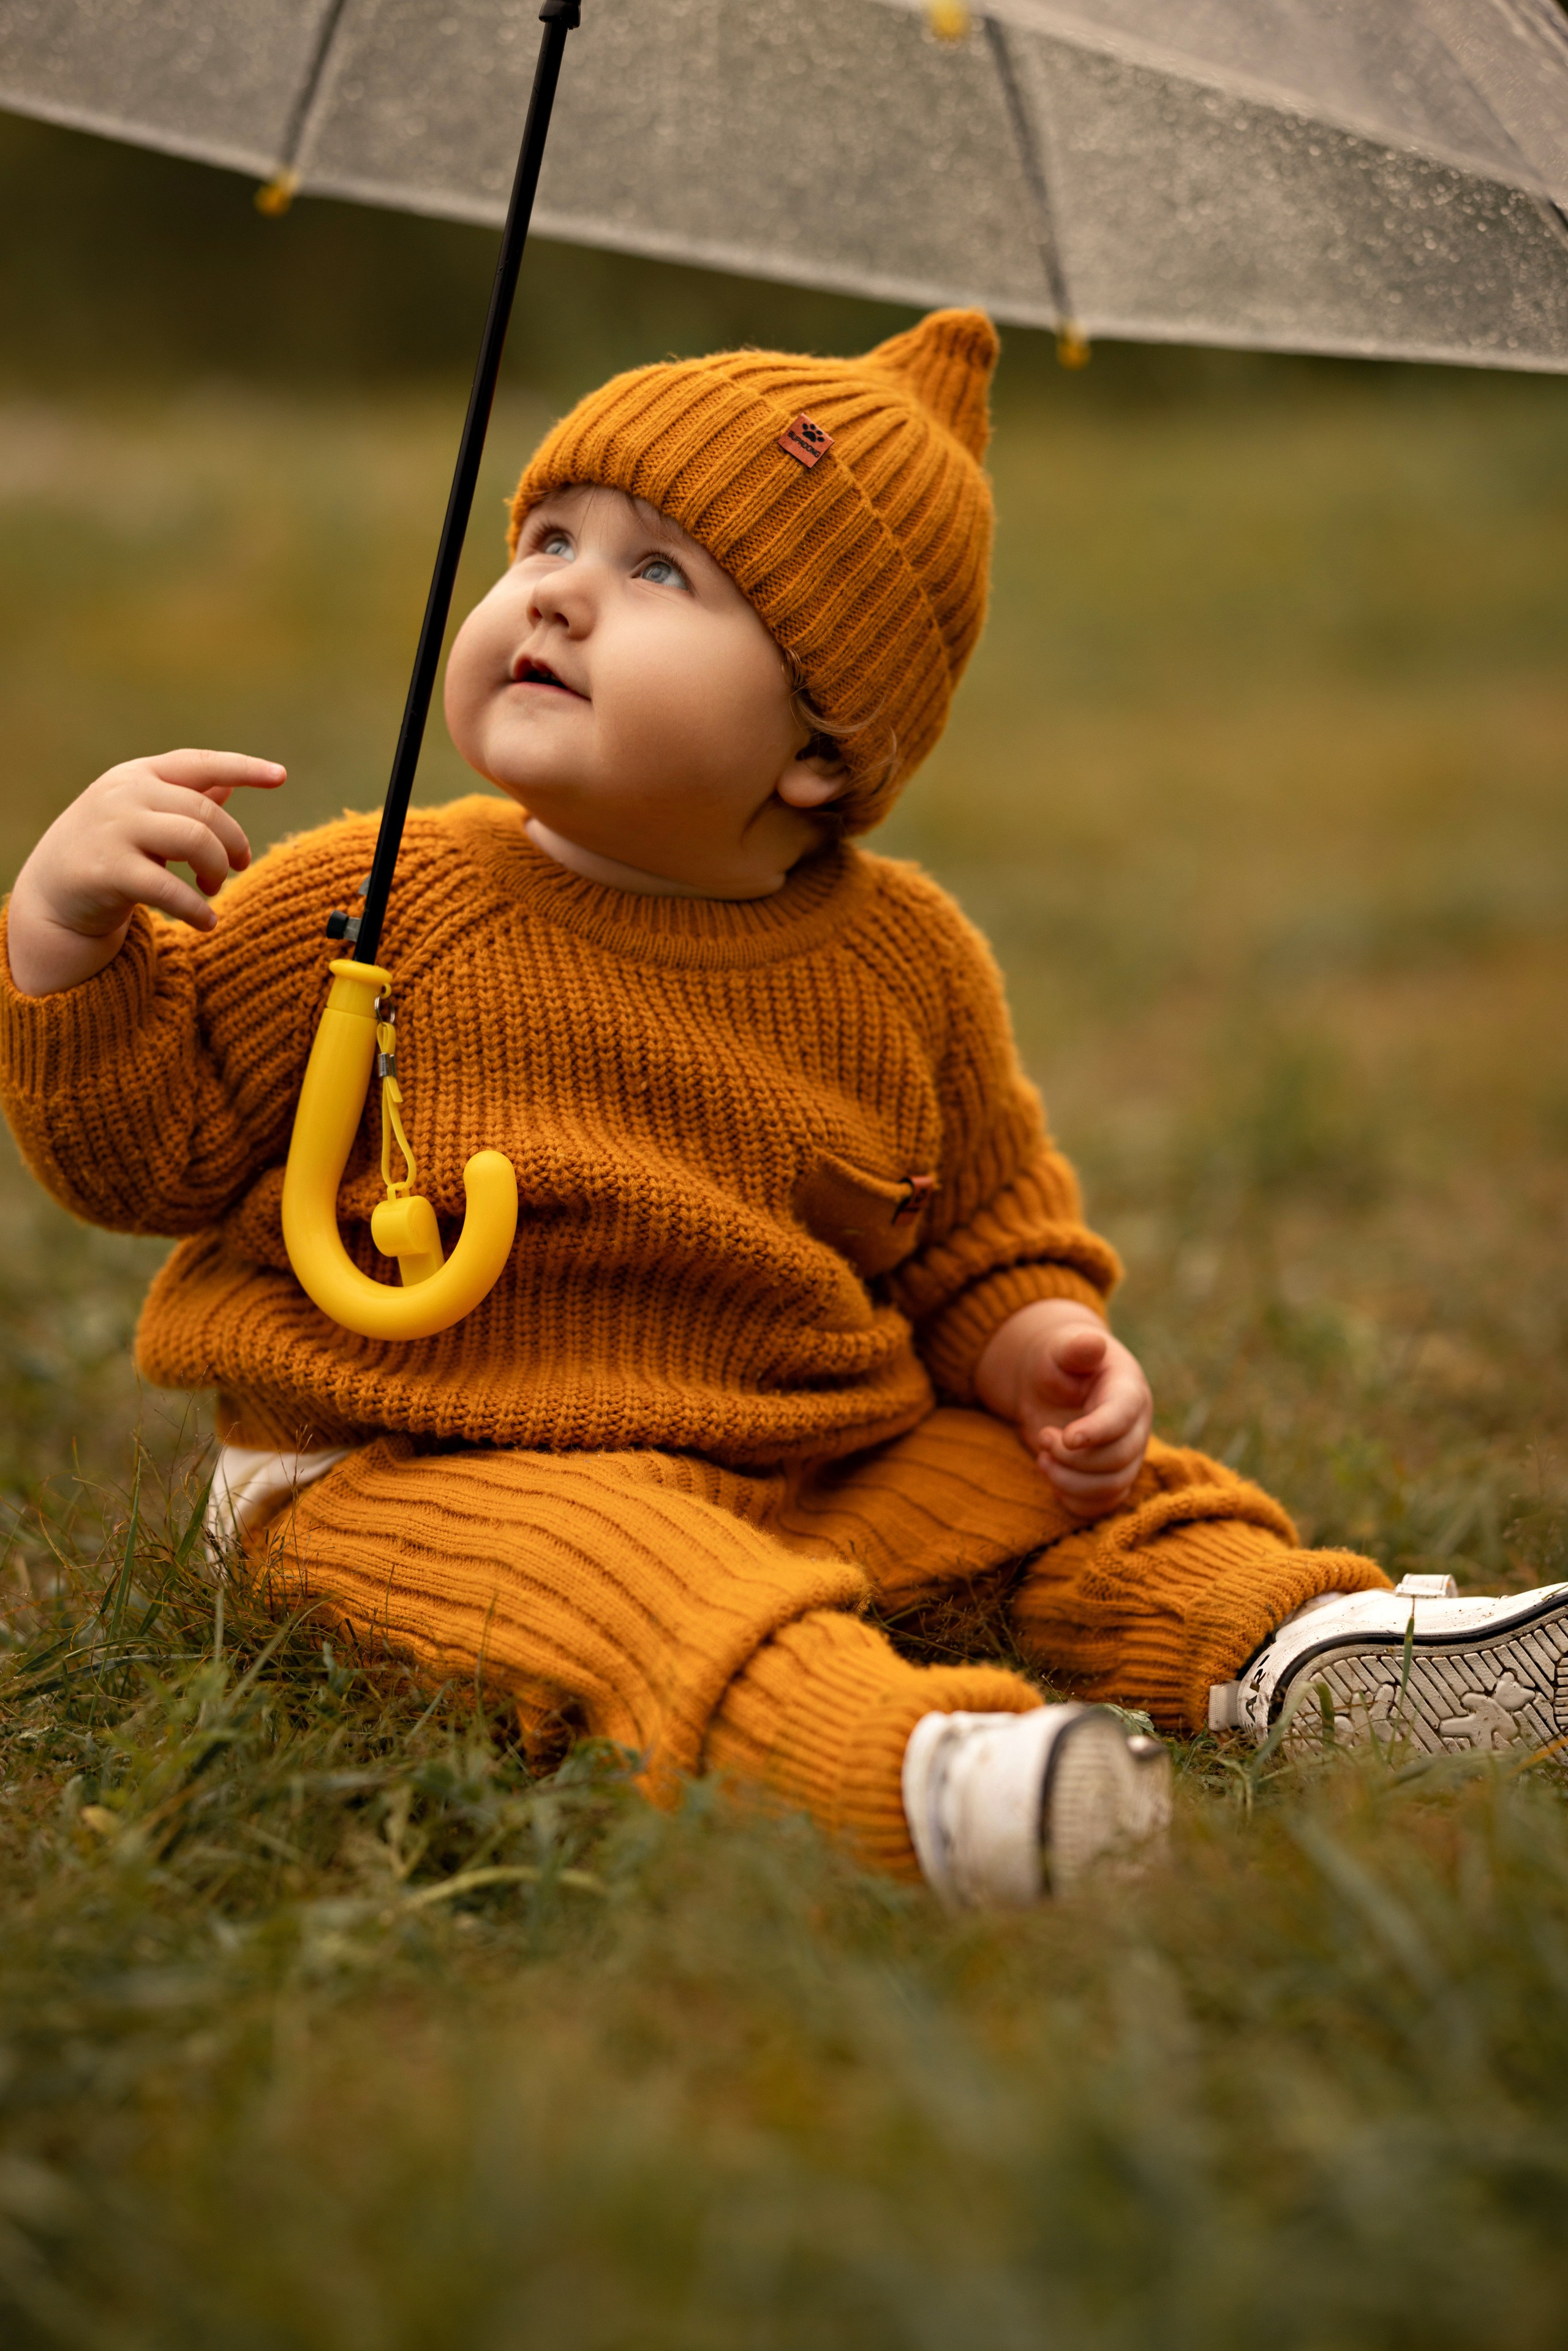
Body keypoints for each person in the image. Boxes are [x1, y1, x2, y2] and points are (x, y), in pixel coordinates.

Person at [4, 311, 1564, 1907]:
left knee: (1058, 1493)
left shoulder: (903, 962)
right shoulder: (372, 900)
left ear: (819, 745)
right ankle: (912, 1772)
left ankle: (1295, 1648)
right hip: (411, 1470)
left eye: (658, 573)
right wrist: (69, 954)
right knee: (621, 1580)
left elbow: (977, 1230)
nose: (556, 589)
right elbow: (146, 1160)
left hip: (795, 1461)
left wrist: (1036, 1347)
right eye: (548, 538)